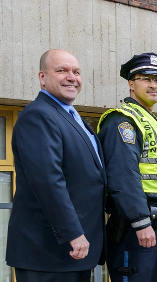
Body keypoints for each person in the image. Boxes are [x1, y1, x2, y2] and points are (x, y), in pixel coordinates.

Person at [6, 49, 105, 282]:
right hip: (49, 253)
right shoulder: (38, 116)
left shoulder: (71, 117)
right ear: (42, 77)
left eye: (76, 72)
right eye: (62, 70)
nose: (71, 77)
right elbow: (48, 181)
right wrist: (73, 232)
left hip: (74, 253)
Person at [97, 52, 157, 282]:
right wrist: (141, 222)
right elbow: (123, 176)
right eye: (146, 79)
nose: (154, 85)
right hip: (135, 228)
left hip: (152, 225)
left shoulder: (149, 120)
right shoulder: (123, 121)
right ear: (131, 84)